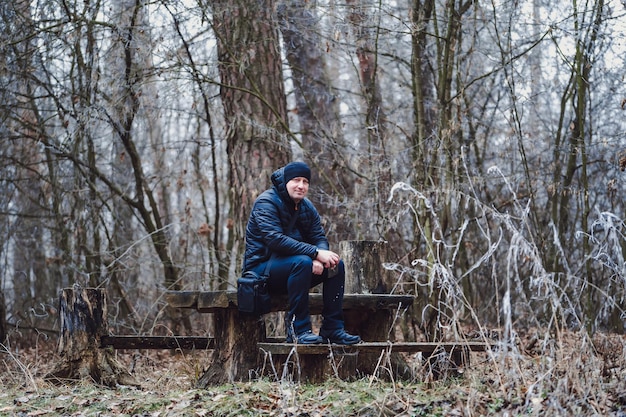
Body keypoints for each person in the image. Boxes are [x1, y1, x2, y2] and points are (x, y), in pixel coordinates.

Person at [243, 161, 361, 345]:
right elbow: (275, 240)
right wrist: (313, 254)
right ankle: (299, 330)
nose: (301, 185)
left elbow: (318, 236)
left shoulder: (306, 207)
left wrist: (321, 256)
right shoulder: (266, 202)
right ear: (286, 181)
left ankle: (333, 328)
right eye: (296, 180)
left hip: (296, 267)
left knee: (336, 266)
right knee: (302, 263)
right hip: (261, 272)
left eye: (305, 181)